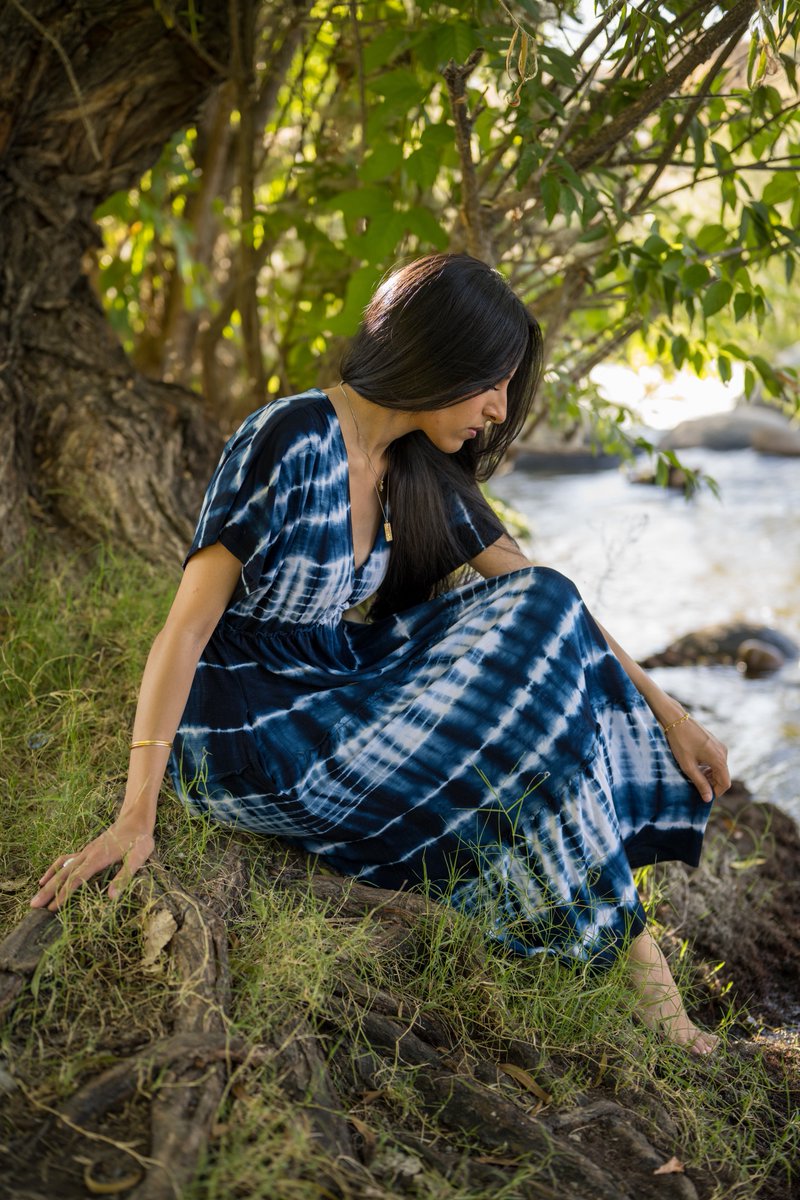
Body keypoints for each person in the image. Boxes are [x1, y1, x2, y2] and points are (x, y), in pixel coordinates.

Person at [31, 253, 730, 1055]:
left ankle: (631, 960)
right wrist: (135, 814)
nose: (499, 411)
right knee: (523, 706)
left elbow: (545, 596)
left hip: (333, 683)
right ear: (443, 354)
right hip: (245, 719)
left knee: (542, 609)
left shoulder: (413, 468)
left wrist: (671, 713)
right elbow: (186, 627)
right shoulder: (288, 437)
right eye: (492, 384)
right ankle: (650, 990)